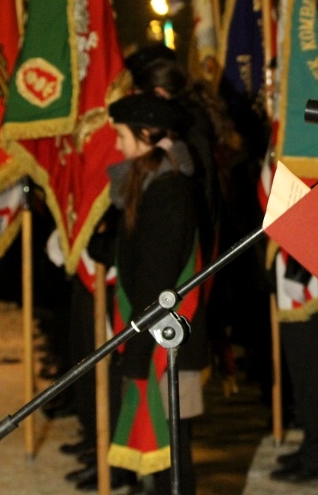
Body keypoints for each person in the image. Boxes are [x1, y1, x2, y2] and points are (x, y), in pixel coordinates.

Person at [104, 92, 210, 495]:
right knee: (161, 458)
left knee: (173, 456)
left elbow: (156, 276)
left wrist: (137, 350)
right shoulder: (147, 183)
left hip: (167, 341)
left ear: (145, 134)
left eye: (120, 134)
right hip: (150, 337)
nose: (116, 143)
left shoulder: (167, 190)